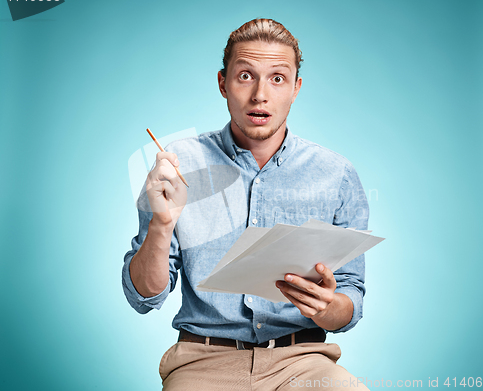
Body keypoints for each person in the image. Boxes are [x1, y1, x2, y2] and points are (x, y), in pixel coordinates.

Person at [122, 19, 370, 390]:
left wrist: (328, 307)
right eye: (245, 76)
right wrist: (160, 225)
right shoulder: (178, 164)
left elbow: (351, 296)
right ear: (222, 83)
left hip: (302, 363)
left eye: (277, 79)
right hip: (203, 362)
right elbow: (143, 297)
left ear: (296, 88)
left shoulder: (336, 174)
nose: (260, 95)